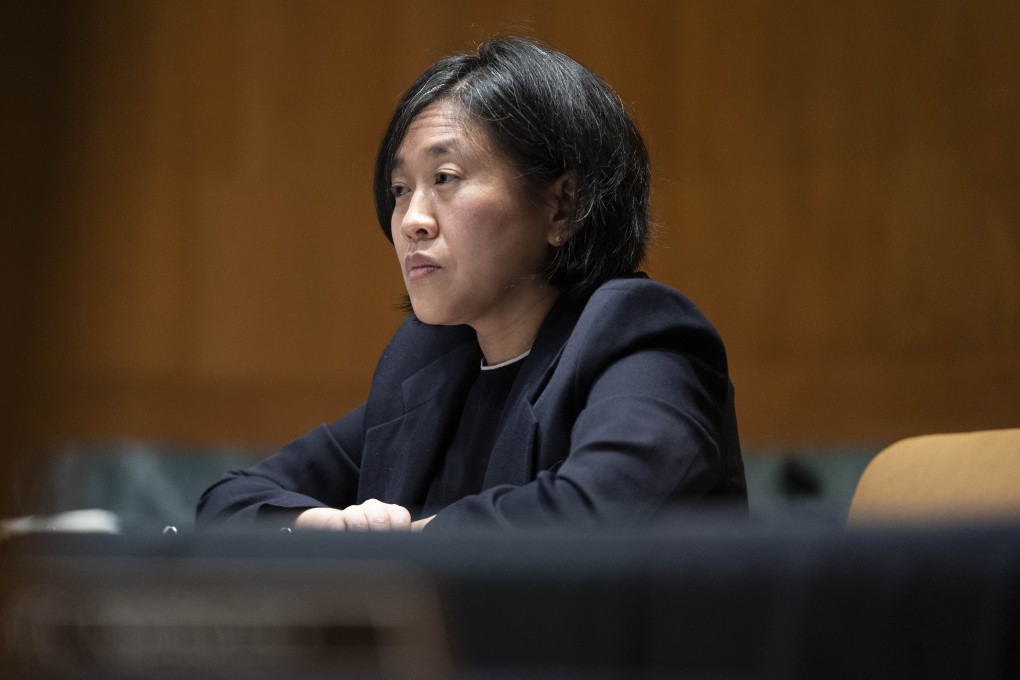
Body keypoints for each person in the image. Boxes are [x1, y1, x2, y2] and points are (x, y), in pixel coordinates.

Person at [196, 36, 746, 533]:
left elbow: (596, 508)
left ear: (563, 206)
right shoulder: (430, 366)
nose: (412, 218)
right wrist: (338, 531)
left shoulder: (640, 339)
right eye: (399, 188)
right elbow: (228, 504)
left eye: (444, 179)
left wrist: (408, 544)